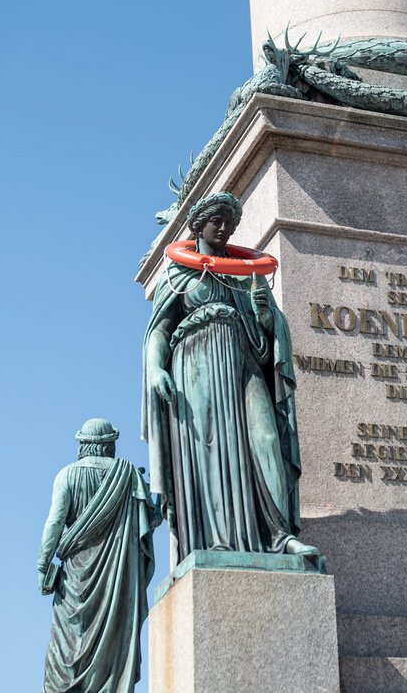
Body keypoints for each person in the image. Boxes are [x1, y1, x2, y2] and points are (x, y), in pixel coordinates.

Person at [141, 192, 318, 563]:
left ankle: (279, 536)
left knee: (266, 438)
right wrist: (155, 368)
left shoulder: (246, 277)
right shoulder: (179, 272)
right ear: (199, 225)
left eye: (229, 223)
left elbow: (268, 335)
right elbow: (159, 330)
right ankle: (217, 541)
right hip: (196, 363)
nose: (223, 228)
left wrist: (268, 317)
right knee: (210, 449)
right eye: (216, 221)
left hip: (243, 361)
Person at [37, 418, 158, 693]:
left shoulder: (67, 475)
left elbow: (54, 523)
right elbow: (149, 522)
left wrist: (43, 564)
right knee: (112, 648)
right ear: (108, 446)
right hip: (116, 583)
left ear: (83, 446)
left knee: (65, 650)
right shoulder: (128, 477)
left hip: (74, 583)